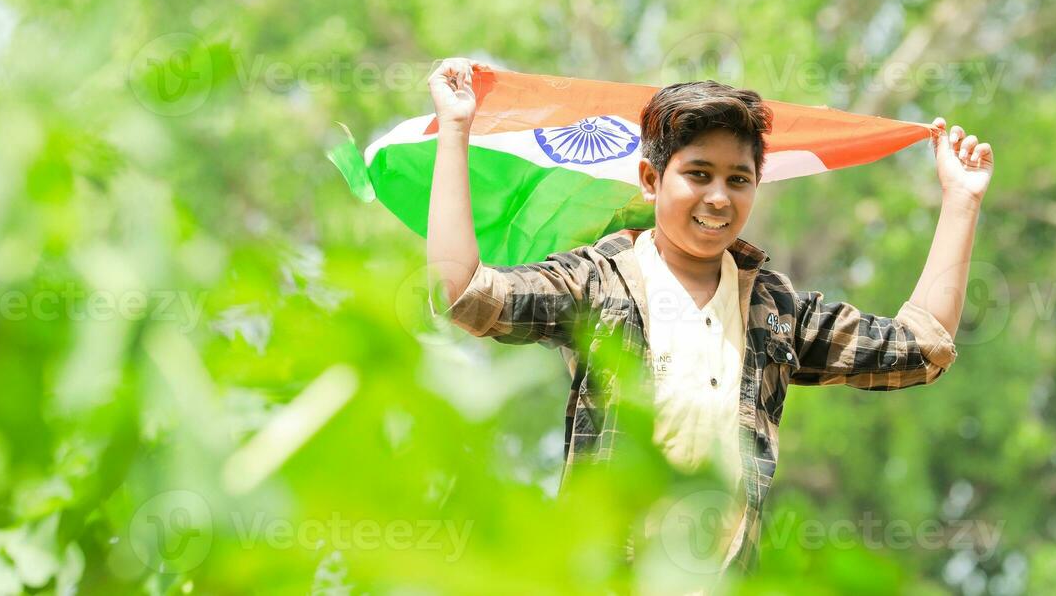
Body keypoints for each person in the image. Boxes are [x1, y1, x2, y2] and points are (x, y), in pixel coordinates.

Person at [424, 57, 993, 582]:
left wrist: (961, 201)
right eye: (698, 174)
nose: (719, 197)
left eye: (737, 179)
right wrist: (455, 130)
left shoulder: (772, 308)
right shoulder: (599, 282)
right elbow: (466, 295)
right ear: (651, 180)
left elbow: (920, 349)